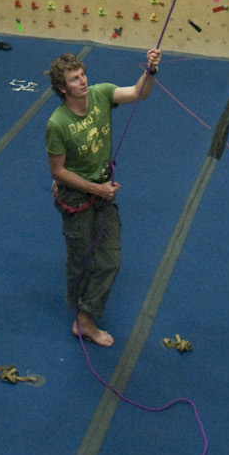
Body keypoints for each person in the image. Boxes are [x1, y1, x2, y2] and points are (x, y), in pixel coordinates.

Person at [45, 48, 161, 348]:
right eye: (74, 79)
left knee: (110, 260)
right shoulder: (57, 124)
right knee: (80, 260)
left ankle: (85, 318)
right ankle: (79, 309)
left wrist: (150, 70)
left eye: (82, 75)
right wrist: (96, 189)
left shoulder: (101, 94)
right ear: (62, 88)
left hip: (101, 189)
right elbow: (57, 171)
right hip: (77, 195)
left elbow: (138, 93)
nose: (82, 82)